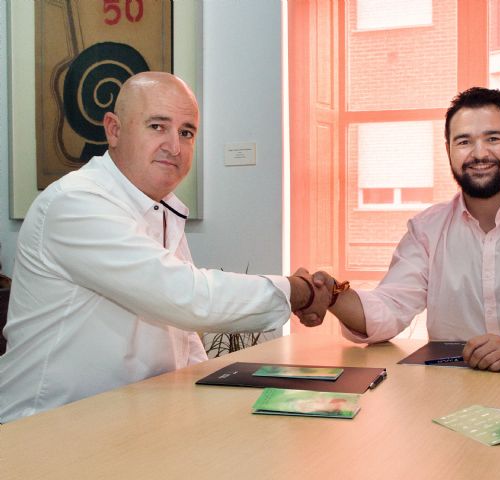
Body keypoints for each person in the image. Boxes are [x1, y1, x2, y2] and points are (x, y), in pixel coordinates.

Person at [0, 72, 330, 423]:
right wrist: (299, 292)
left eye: (186, 132)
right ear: (114, 130)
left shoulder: (160, 206)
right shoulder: (75, 202)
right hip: (43, 429)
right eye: (157, 126)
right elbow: (185, 297)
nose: (174, 146)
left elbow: (181, 335)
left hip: (126, 423)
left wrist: (207, 399)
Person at [297, 87, 500, 372]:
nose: (479, 154)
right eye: (464, 141)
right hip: (453, 391)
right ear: (448, 150)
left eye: (493, 138)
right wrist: (332, 295)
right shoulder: (426, 229)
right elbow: (390, 308)